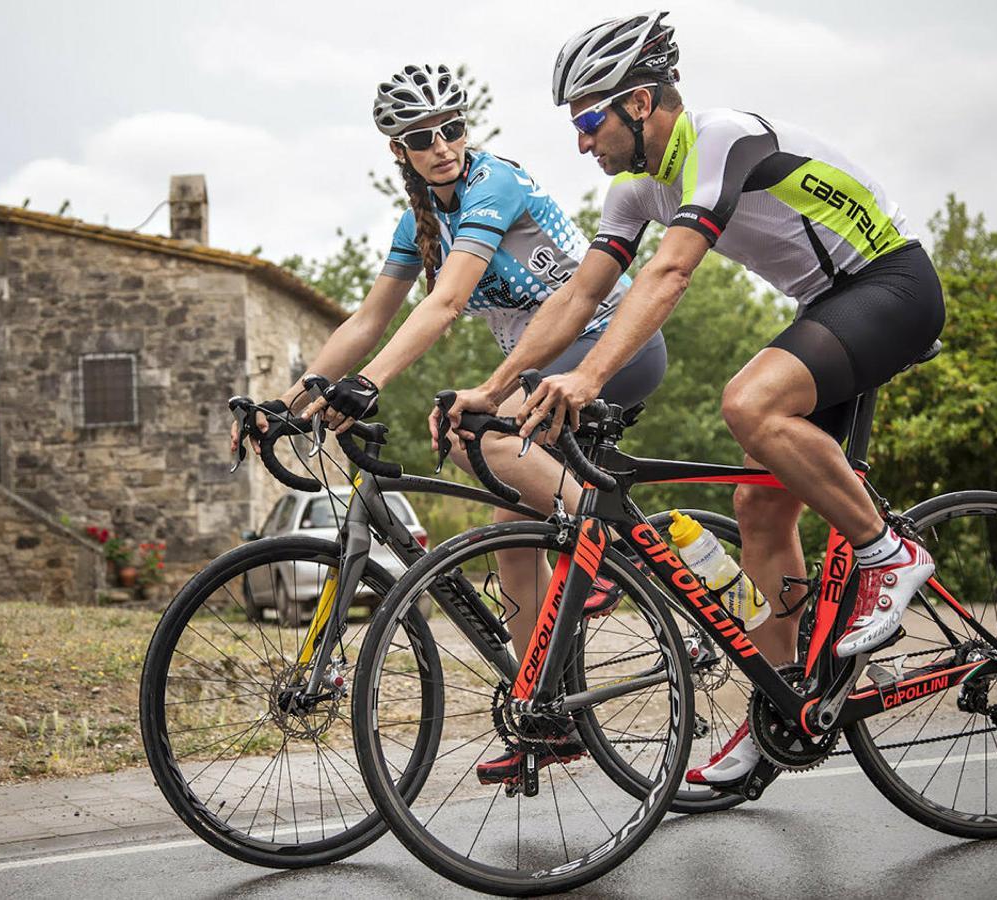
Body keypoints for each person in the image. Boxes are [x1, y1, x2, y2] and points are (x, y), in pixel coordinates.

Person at [439, 11, 945, 793]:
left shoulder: (722, 137)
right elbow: (579, 295)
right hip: (828, 305)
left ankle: (889, 551)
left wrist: (590, 377)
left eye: (588, 120)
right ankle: (780, 709)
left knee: (749, 402)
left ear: (639, 103)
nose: (581, 142)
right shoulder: (635, 189)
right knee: (759, 511)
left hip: (891, 285)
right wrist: (496, 386)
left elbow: (670, 275)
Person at [229, 63, 669, 782]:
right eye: (421, 137)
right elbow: (370, 317)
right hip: (540, 362)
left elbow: (440, 305)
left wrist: (370, 382)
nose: (442, 146)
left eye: (452, 129)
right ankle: (547, 714)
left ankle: (600, 547)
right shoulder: (420, 220)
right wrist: (288, 401)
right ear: (398, 150)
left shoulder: (494, 183)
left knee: (469, 432)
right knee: (510, 534)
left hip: (611, 342)